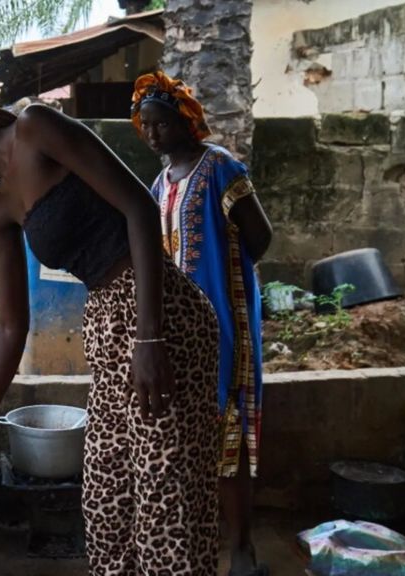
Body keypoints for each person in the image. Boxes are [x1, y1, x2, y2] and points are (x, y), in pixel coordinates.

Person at [0, 85, 220, 575]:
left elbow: (139, 207)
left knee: (165, 504)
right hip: (107, 332)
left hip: (162, 318)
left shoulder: (36, 128)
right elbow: (10, 327)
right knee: (106, 502)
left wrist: (150, 338)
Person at [133, 70, 273, 576]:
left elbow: (260, 238)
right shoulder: (159, 183)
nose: (153, 134)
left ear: (186, 122)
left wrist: (221, 268)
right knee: (189, 432)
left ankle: (242, 549)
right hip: (179, 330)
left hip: (224, 320)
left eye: (162, 124)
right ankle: (196, 544)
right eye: (146, 125)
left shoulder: (220, 169)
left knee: (227, 426)